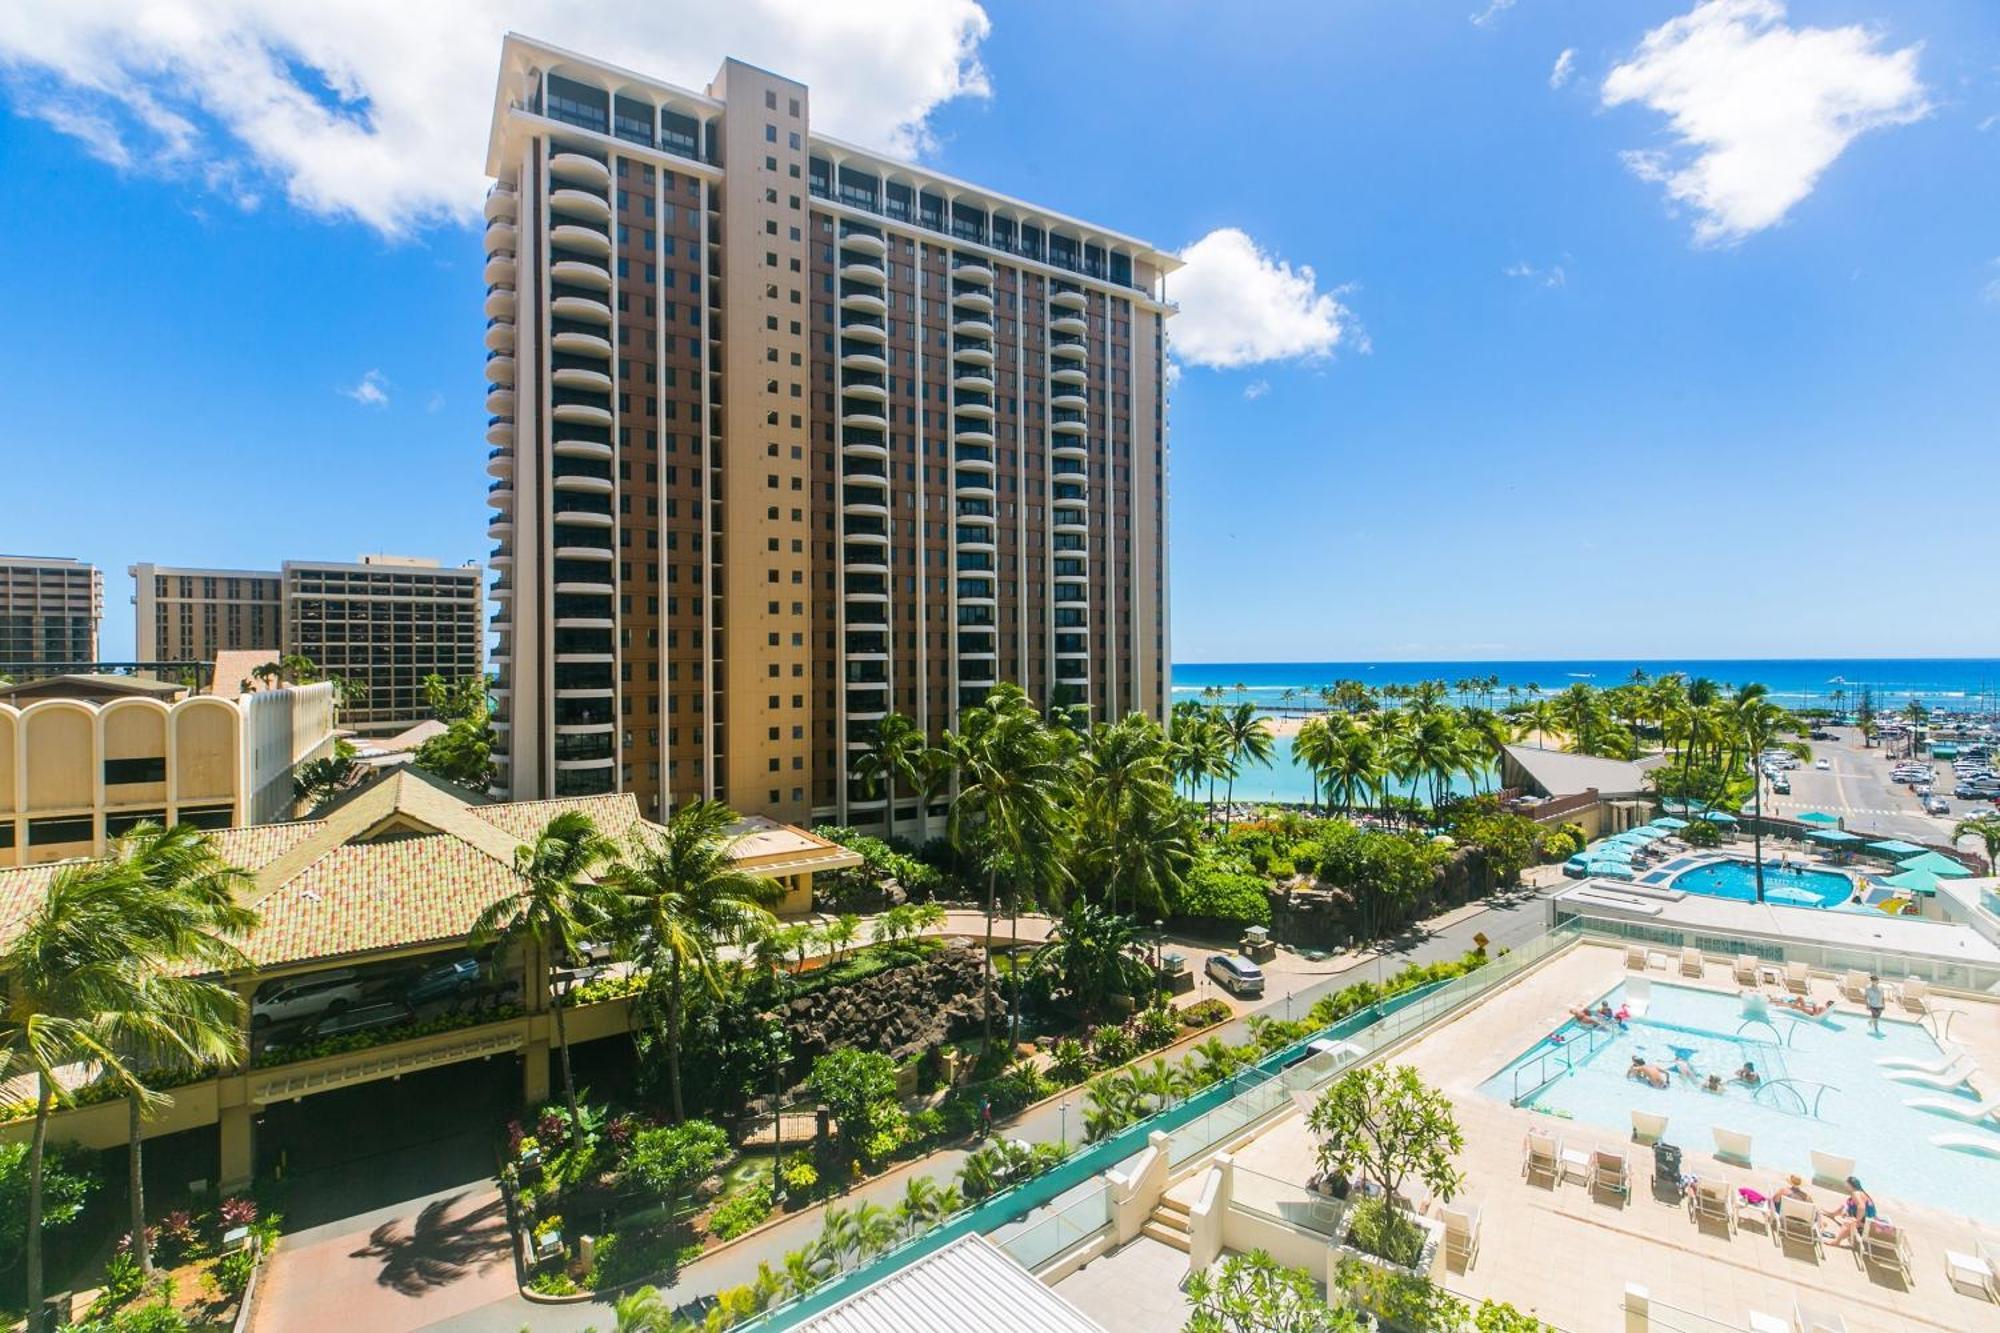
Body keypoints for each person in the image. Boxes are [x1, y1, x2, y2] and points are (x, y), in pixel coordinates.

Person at [1821, 1177, 1876, 1247]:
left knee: (1849, 1223)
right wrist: (1847, 1211)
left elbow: (1861, 1207)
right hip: (1870, 1223)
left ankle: (1836, 1241)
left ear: (1850, 1185)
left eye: (1846, 1184)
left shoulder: (1856, 1193)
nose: (1844, 1186)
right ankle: (1832, 1214)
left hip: (1867, 1227)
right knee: (1847, 1204)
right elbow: (1849, 1205)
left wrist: (1857, 1221)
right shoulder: (1860, 1192)